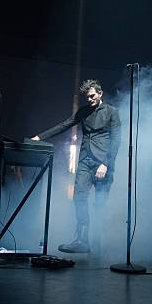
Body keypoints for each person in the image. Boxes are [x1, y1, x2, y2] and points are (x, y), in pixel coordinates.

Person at [32, 79, 121, 253]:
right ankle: (81, 240)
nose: (90, 99)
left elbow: (117, 141)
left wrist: (105, 164)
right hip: (85, 161)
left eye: (92, 96)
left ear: (100, 93)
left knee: (100, 204)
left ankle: (97, 241)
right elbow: (64, 125)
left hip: (103, 163)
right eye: (87, 97)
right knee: (79, 197)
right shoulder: (83, 112)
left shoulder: (112, 112)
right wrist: (40, 137)